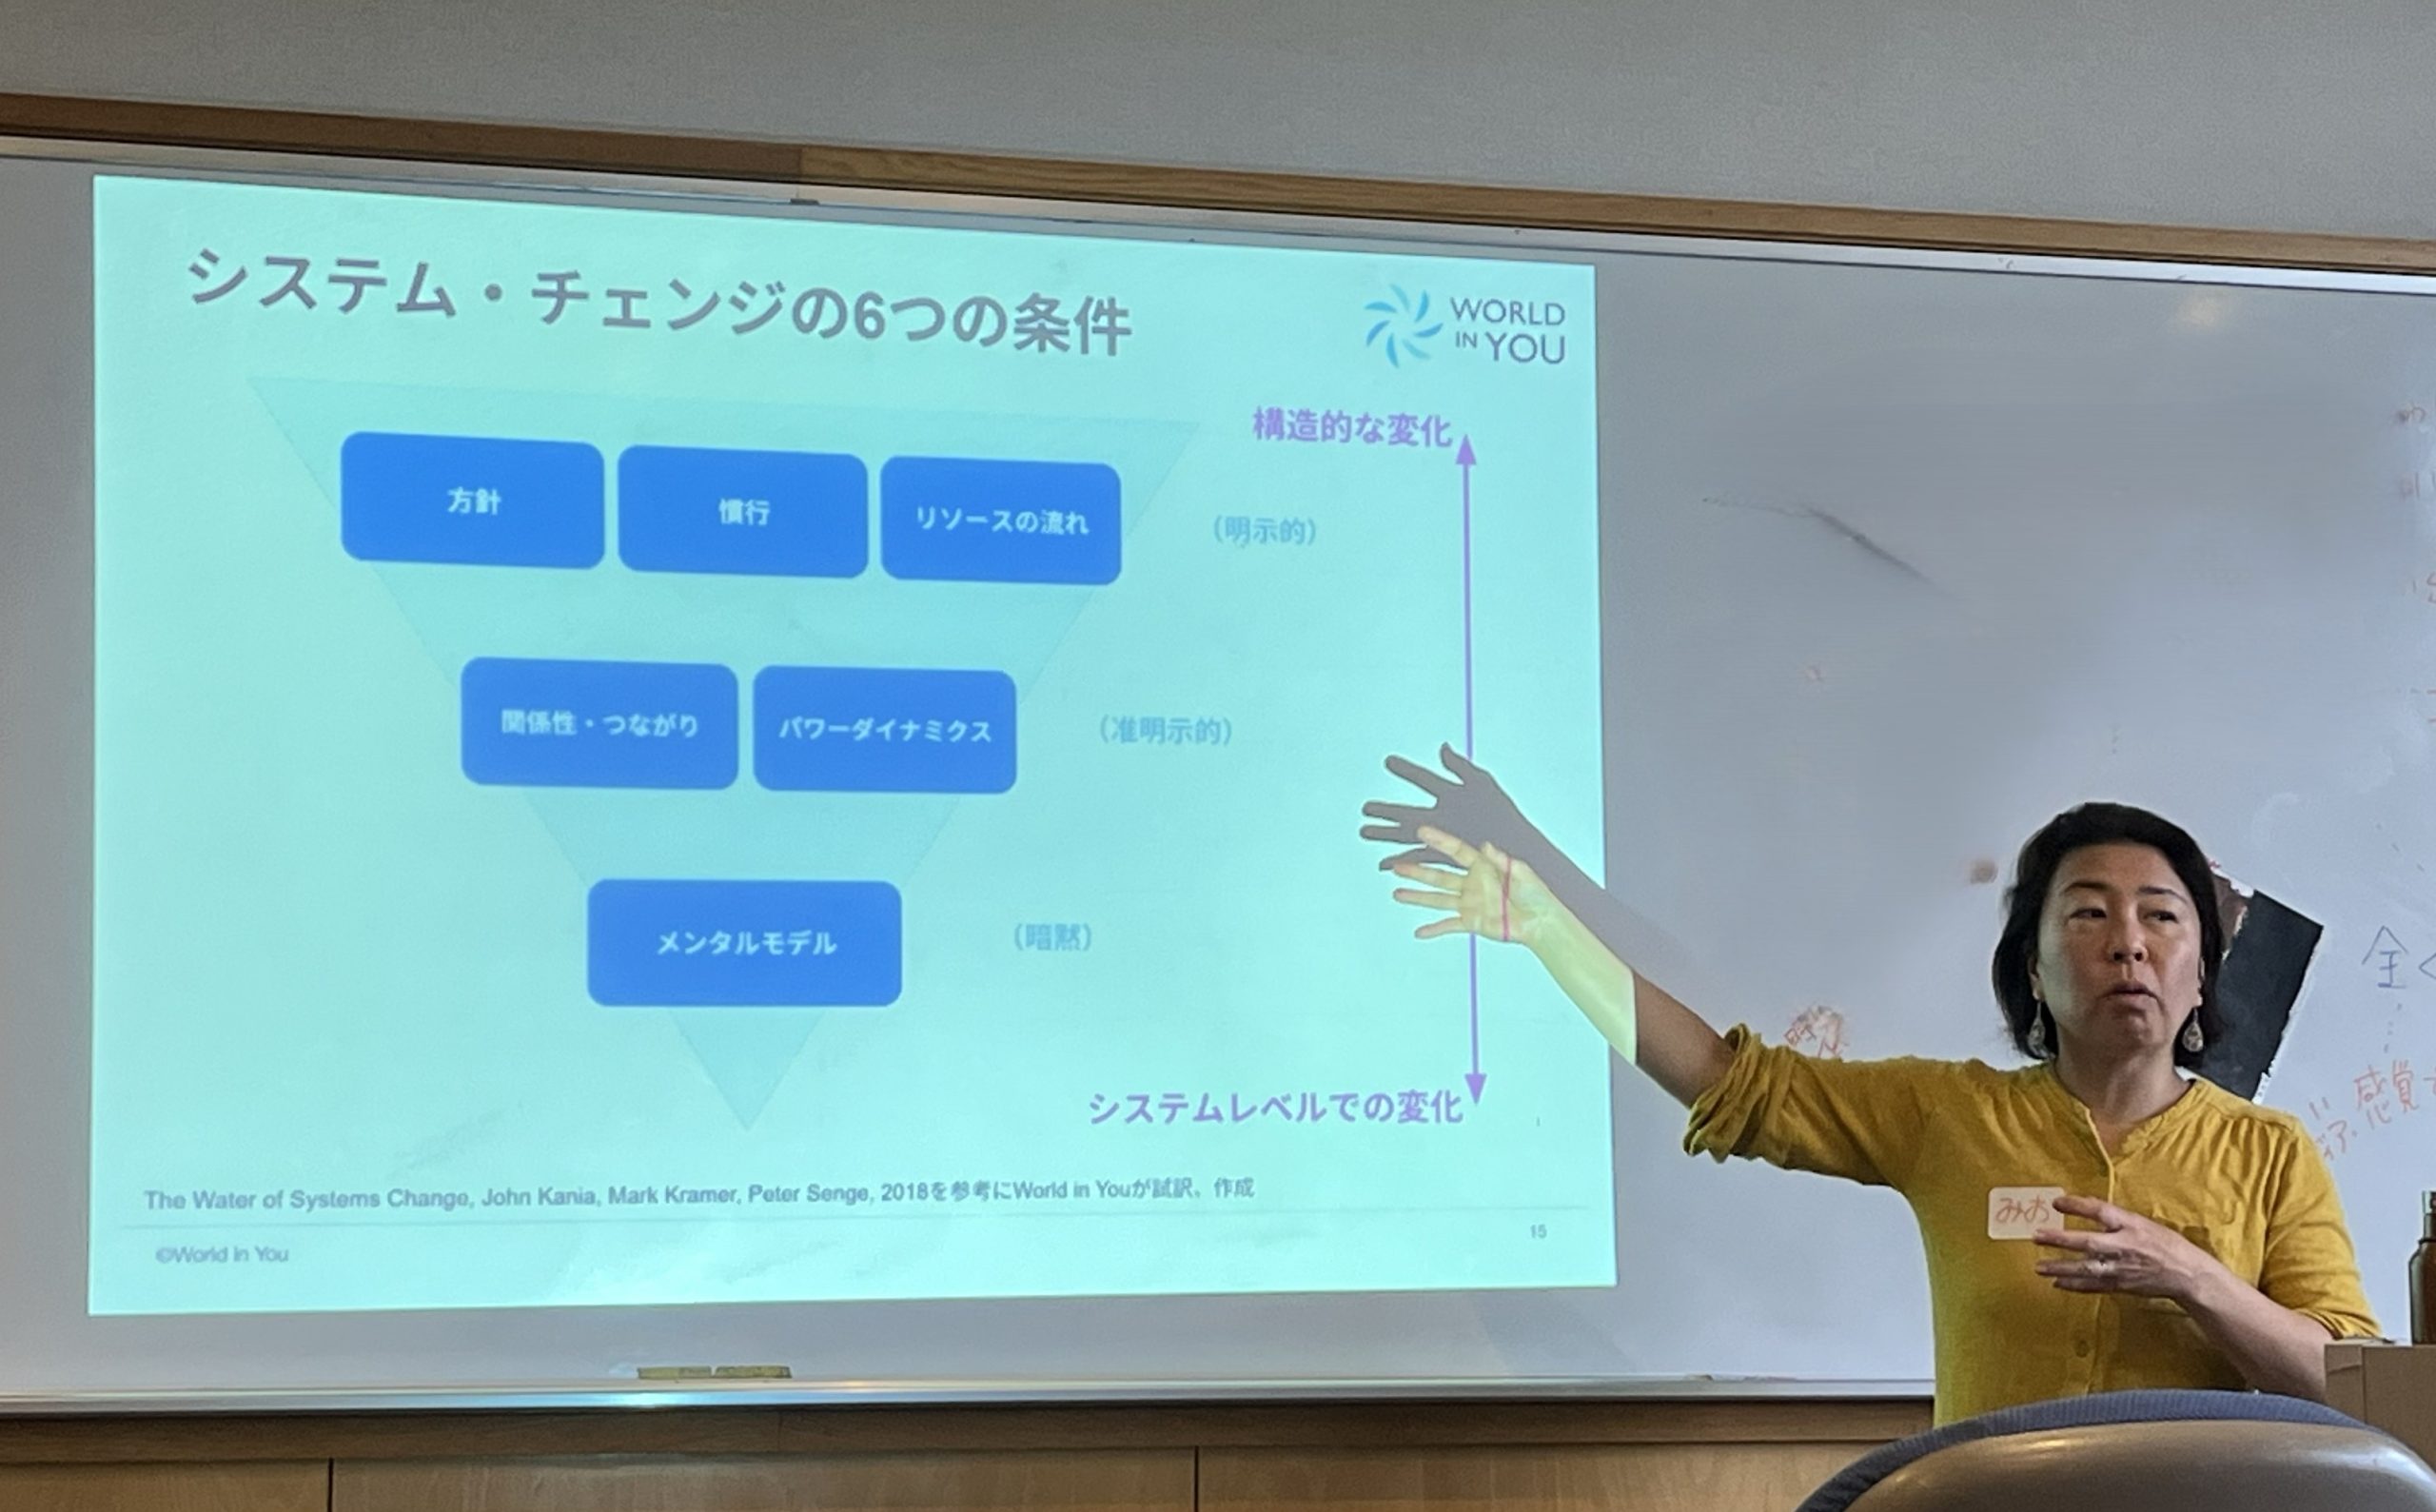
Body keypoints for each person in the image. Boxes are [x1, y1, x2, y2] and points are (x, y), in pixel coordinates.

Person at [1364, 747, 2377, 1424]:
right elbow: (1728, 1082)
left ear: (2201, 971)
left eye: (2161, 915)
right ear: (2031, 967)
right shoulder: (1952, 1114)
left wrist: (2193, 1277)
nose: (2127, 942)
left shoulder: (2270, 1152)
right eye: (2086, 913)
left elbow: (2353, 1389)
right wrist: (1547, 925)